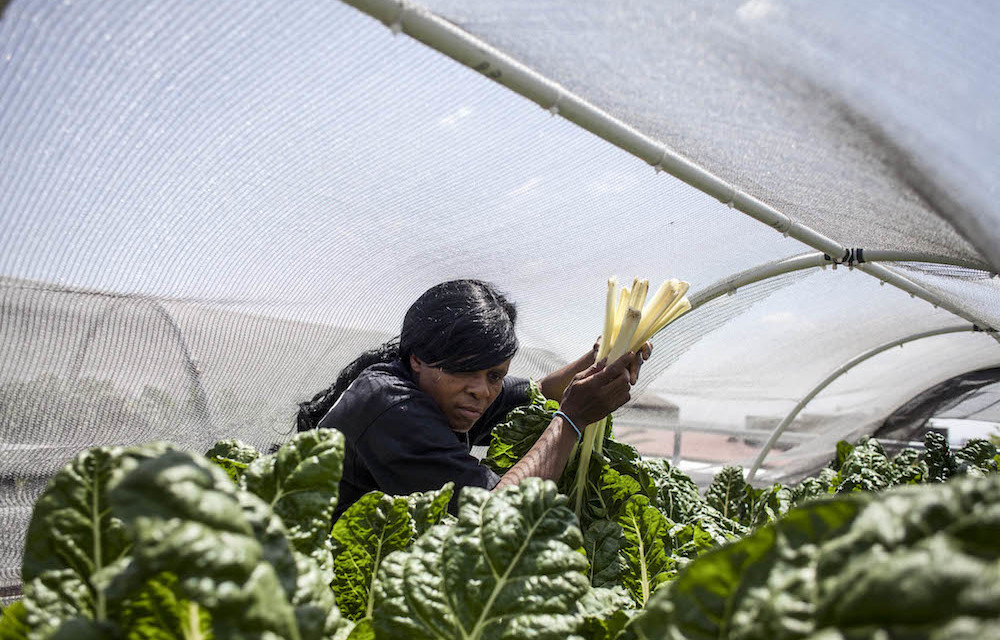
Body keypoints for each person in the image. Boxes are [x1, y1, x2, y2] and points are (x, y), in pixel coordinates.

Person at [297, 279, 649, 521]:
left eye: (494, 375)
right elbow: (497, 517)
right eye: (464, 370)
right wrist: (572, 419)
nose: (482, 391)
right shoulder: (392, 406)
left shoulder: (444, 394)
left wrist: (603, 357)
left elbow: (540, 393)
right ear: (417, 357)